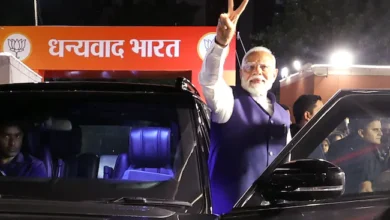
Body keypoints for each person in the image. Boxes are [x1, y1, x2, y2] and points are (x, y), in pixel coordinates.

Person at [198, 0, 291, 214]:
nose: (257, 71)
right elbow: (209, 80)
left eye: (264, 67)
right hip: (229, 212)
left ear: (275, 75)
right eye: (249, 67)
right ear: (241, 73)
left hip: (273, 212)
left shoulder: (283, 114)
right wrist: (221, 43)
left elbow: (286, 163)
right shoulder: (228, 101)